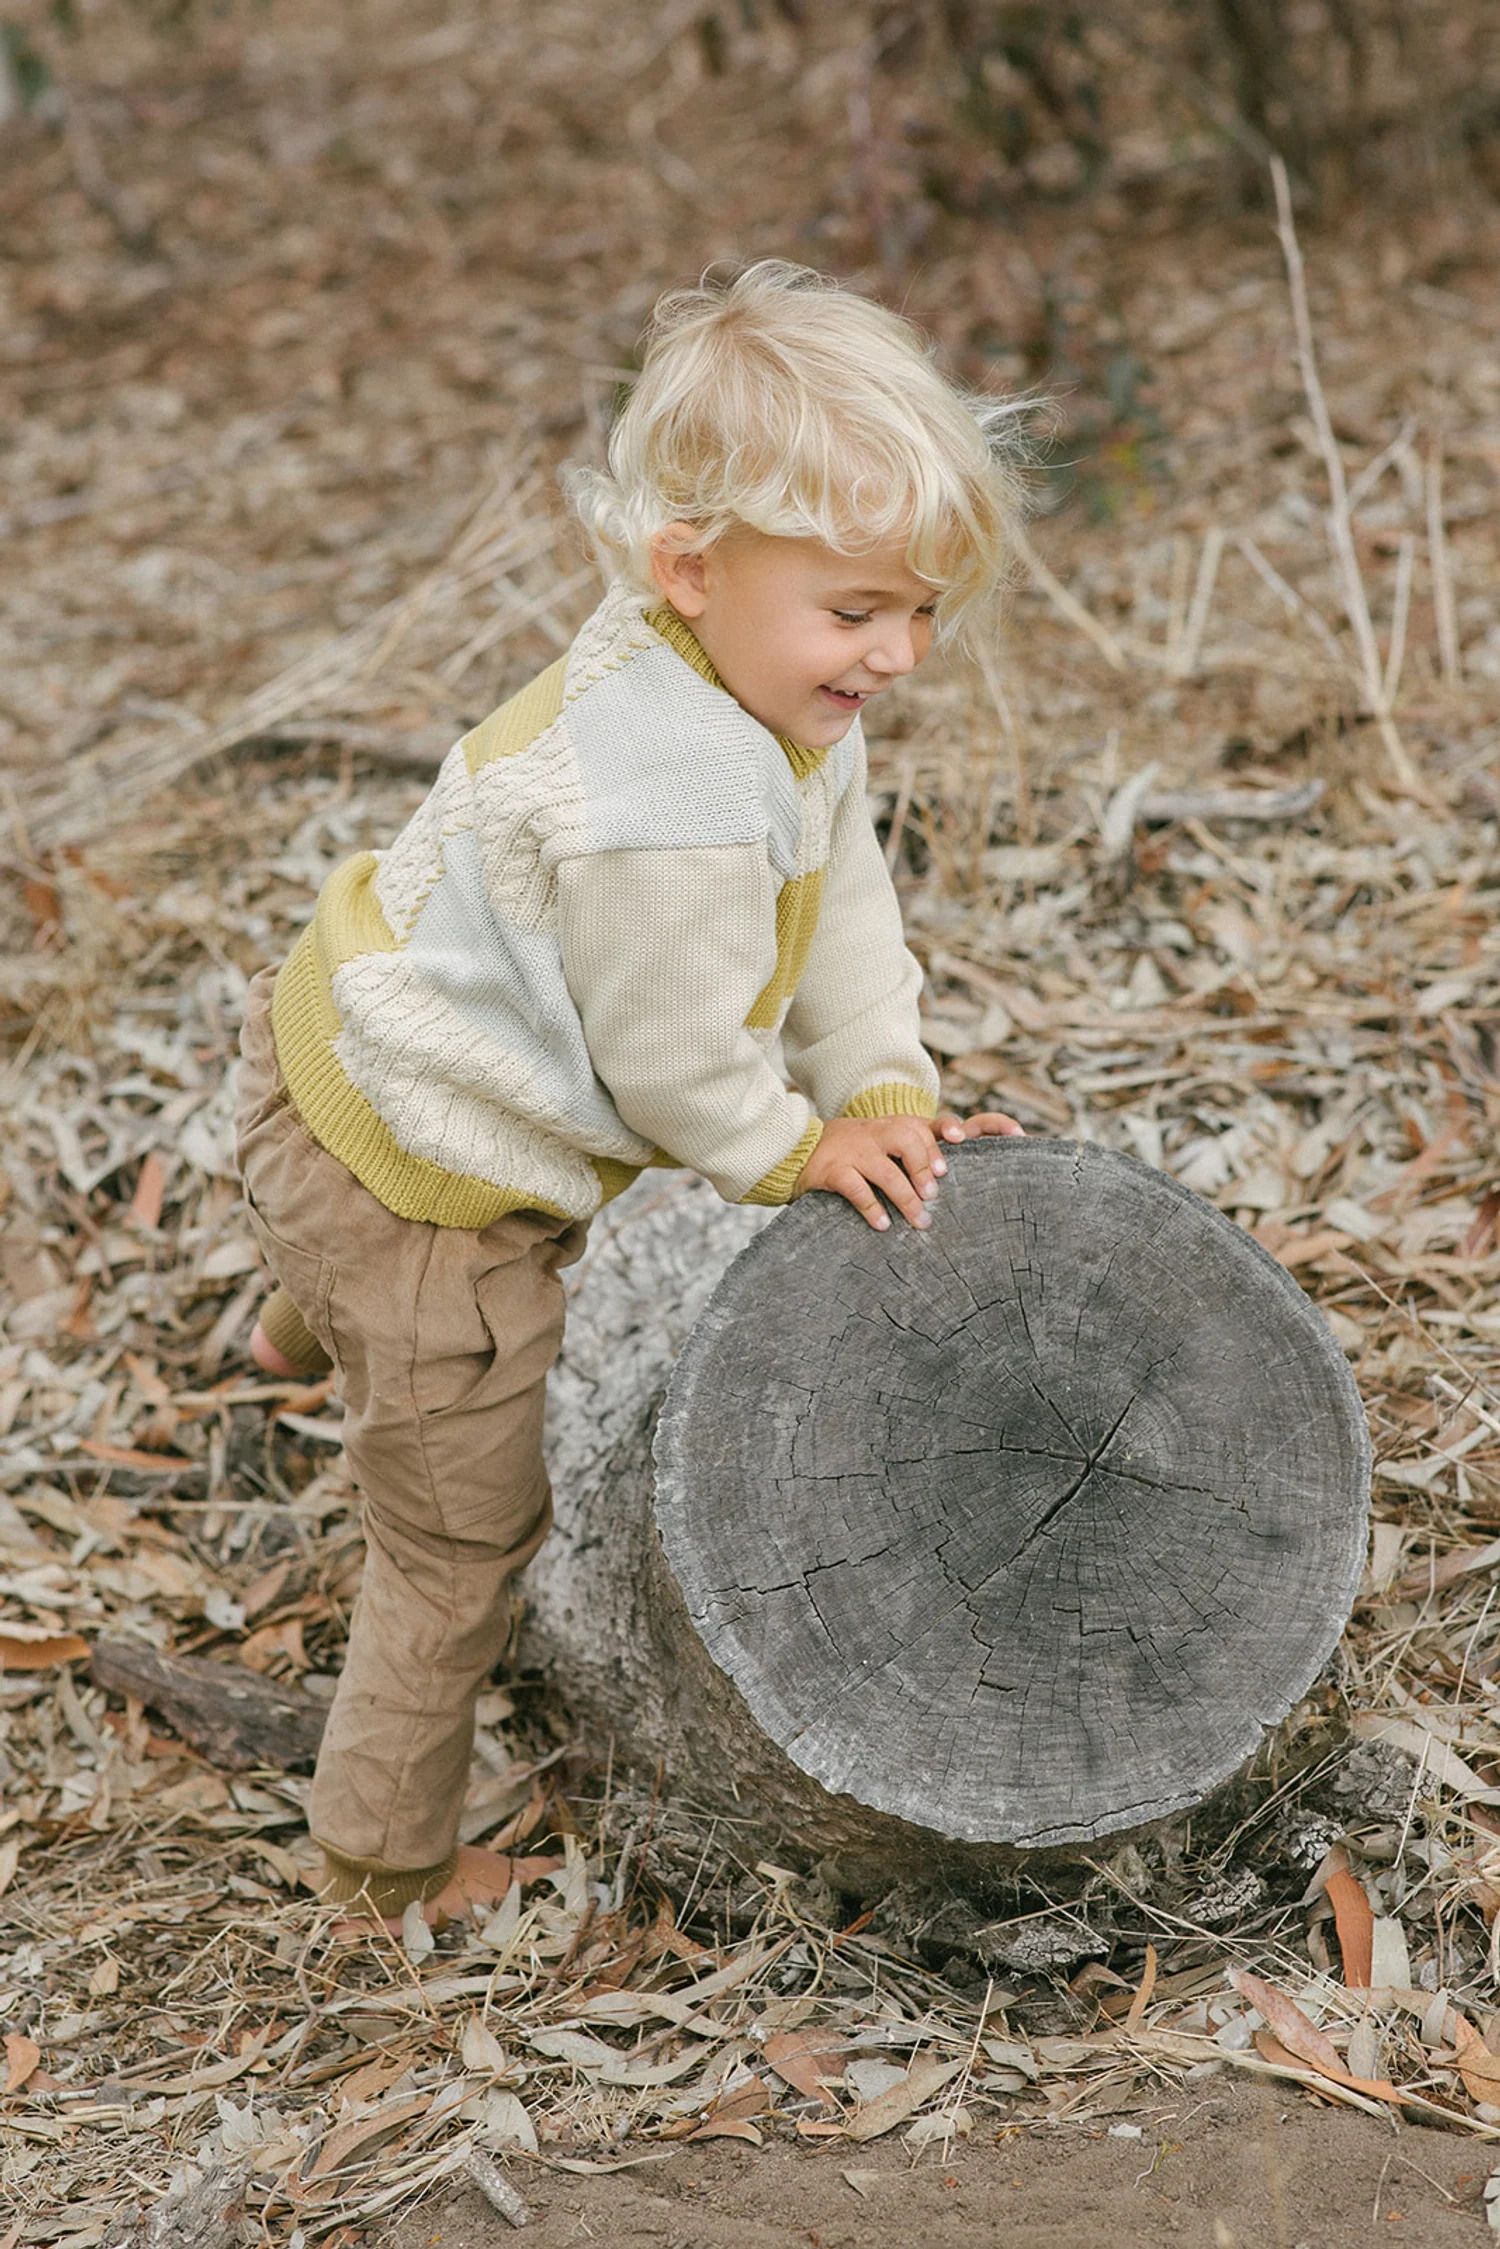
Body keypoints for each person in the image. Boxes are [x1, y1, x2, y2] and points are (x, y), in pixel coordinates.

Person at [234, 261, 1028, 1924]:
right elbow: (677, 1068)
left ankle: (295, 1317)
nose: (898, 653)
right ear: (692, 566)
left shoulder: (749, 679)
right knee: (459, 1544)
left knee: (342, 1249)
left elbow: (845, 899)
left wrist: (883, 1071)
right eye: (859, 611)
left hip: (337, 1046)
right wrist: (801, 1147)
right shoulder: (665, 802)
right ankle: (380, 1865)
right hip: (417, 1187)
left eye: (920, 610)